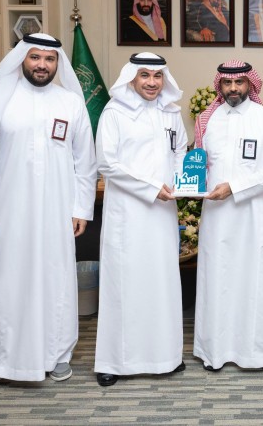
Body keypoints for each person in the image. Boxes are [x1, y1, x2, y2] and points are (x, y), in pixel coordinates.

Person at [0, 33, 97, 400]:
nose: (42, 64)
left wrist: (80, 208)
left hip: (58, 208)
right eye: (35, 57)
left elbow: (85, 160)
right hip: (9, 207)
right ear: (22, 58)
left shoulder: (70, 102)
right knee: (6, 280)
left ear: (57, 64)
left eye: (49, 59)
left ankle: (57, 354)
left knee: (56, 277)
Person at [93, 52, 189, 387]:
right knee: (125, 285)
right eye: (144, 75)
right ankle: (114, 361)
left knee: (162, 282)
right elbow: (107, 163)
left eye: (157, 76)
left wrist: (181, 183)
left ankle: (166, 356)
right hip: (128, 214)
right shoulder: (114, 112)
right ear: (132, 78)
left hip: (163, 212)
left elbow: (180, 152)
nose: (151, 82)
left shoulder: (171, 112)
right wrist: (151, 188)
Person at [192, 60, 263, 371]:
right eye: (227, 83)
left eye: (240, 82)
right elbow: (198, 164)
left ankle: (257, 354)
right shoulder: (207, 120)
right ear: (219, 85)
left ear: (250, 84)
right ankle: (215, 352)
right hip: (217, 217)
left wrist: (234, 187)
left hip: (254, 217)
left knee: (254, 280)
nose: (233, 88)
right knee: (217, 279)